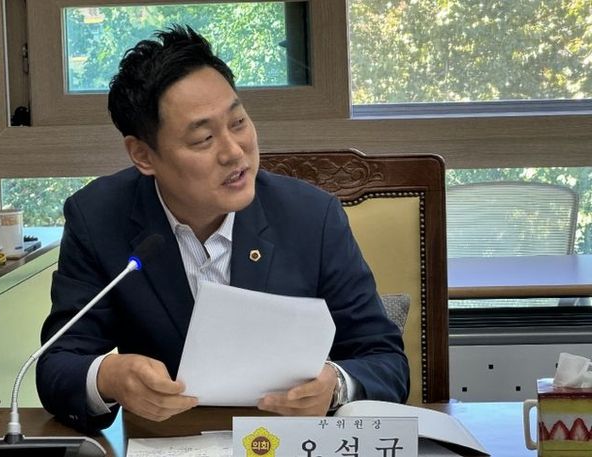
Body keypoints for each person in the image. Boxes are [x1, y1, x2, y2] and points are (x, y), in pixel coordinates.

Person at [36, 25, 409, 433]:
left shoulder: (311, 217)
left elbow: (385, 360)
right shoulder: (98, 218)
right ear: (143, 155)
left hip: (286, 441)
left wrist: (335, 386)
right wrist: (108, 376)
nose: (234, 151)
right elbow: (57, 365)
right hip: (168, 442)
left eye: (238, 122)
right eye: (203, 139)